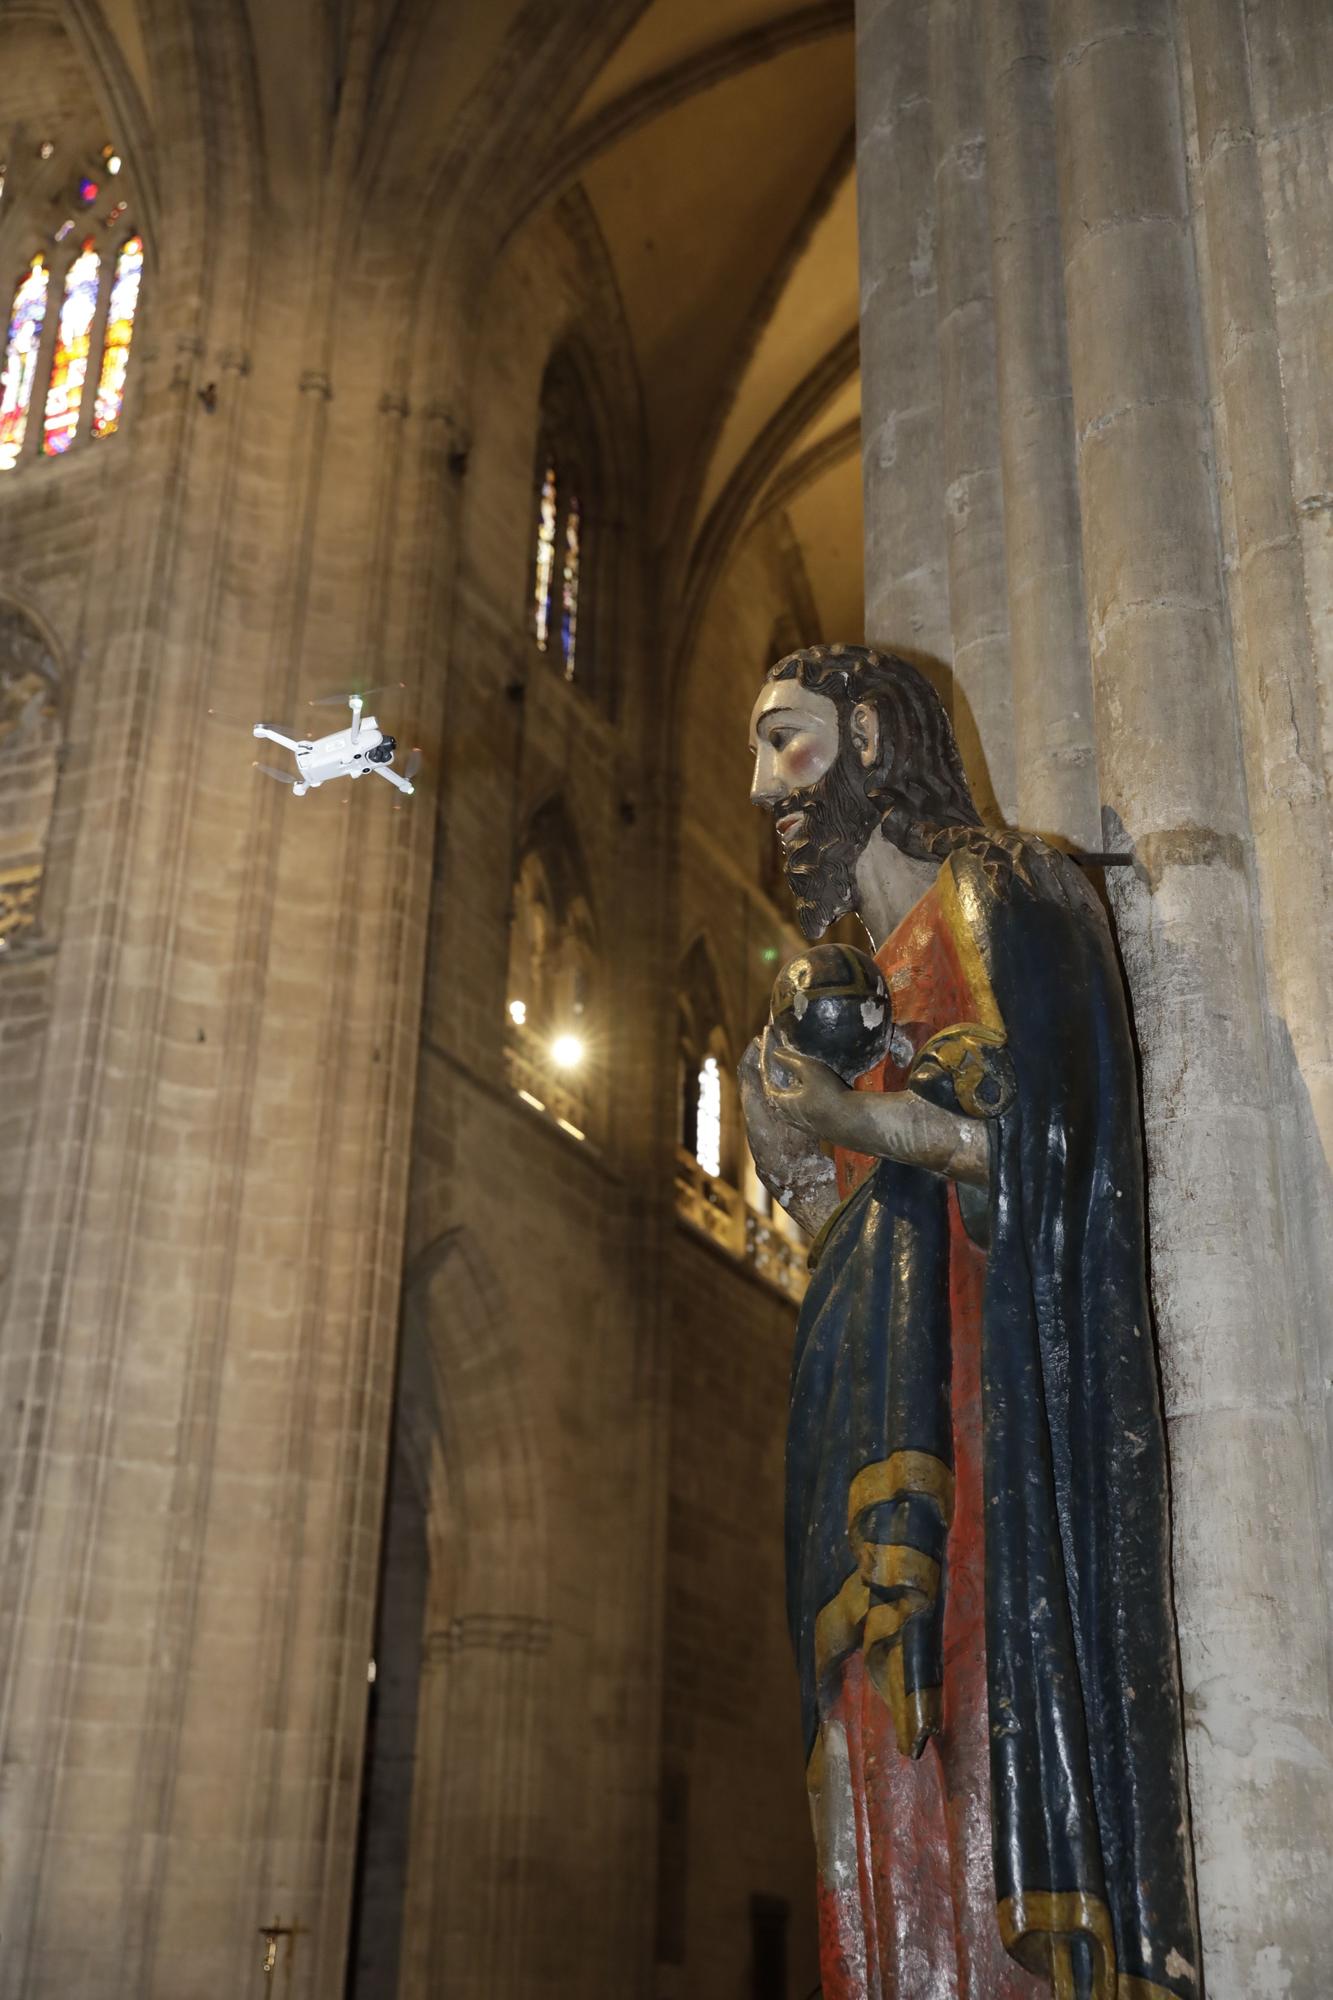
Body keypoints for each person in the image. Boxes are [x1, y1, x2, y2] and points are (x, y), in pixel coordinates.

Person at [741, 644, 1199, 2000]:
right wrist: (791, 1145)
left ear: (874, 733)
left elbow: (1055, 1142)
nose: (766, 786)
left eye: (787, 742)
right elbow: (839, 1222)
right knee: (865, 1754)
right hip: (865, 1392)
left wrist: (858, 1121)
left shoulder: (1000, 891)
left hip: (994, 1397)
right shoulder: (841, 988)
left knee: (981, 1700)